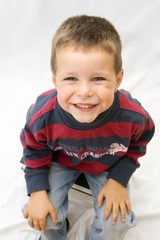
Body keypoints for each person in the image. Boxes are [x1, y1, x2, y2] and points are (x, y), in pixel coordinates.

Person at [20, 15, 155, 240]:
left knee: (115, 221)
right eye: (71, 78)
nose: (84, 91)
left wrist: (118, 180)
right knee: (46, 215)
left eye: (98, 79)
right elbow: (33, 150)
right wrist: (37, 192)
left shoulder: (134, 117)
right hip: (59, 161)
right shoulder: (42, 116)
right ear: (55, 80)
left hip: (106, 164)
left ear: (118, 79)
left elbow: (139, 143)